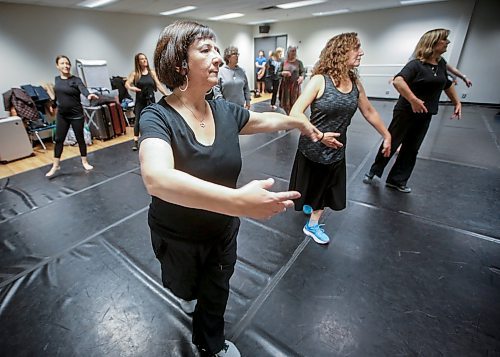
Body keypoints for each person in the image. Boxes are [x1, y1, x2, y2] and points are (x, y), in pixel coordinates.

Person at [139, 20, 329, 357]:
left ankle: (210, 342)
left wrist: (297, 121)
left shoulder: (223, 110)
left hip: (221, 230)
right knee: (184, 288)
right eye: (206, 49)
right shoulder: (157, 117)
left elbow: (263, 120)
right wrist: (239, 201)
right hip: (177, 234)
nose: (217, 57)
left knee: (216, 290)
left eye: (217, 49)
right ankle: (187, 294)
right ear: (181, 63)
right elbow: (157, 177)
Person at [288, 32, 391, 245]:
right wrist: (320, 135)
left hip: (336, 148)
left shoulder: (355, 82)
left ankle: (312, 224)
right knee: (311, 185)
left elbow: (369, 111)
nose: (361, 52)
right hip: (313, 145)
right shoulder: (319, 81)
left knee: (324, 188)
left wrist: (387, 134)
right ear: (341, 51)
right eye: (357, 48)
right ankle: (311, 223)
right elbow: (295, 114)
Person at [363, 28, 461, 193]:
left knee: (412, 148)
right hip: (406, 112)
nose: (448, 43)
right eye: (444, 40)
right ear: (433, 43)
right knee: (393, 141)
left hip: (426, 113)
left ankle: (397, 180)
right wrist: (413, 99)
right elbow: (398, 81)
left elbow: (447, 84)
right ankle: (374, 170)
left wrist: (457, 102)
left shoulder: (441, 64)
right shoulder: (415, 64)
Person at [45, 55, 98, 177]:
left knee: (80, 138)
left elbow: (83, 89)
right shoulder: (57, 79)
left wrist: (88, 95)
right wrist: (53, 104)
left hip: (76, 114)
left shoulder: (76, 80)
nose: (66, 66)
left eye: (67, 63)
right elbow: (58, 95)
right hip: (62, 115)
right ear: (57, 66)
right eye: (62, 63)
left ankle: (84, 161)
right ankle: (56, 165)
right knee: (59, 140)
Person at [125, 52, 169, 151]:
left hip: (151, 100)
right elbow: (127, 84)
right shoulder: (135, 74)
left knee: (154, 119)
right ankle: (136, 142)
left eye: (145, 58)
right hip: (140, 101)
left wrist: (166, 95)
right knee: (138, 121)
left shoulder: (151, 72)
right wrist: (132, 88)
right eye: (142, 59)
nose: (145, 60)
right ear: (138, 61)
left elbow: (158, 85)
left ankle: (155, 138)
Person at [278, 46, 305, 115]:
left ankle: (293, 116)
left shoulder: (299, 63)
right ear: (288, 52)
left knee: (295, 103)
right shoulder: (283, 62)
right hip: (285, 86)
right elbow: (278, 73)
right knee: (286, 103)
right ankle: (288, 115)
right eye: (292, 51)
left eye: (295, 51)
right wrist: (283, 73)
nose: (294, 53)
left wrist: (302, 77)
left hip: (295, 87)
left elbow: (303, 72)